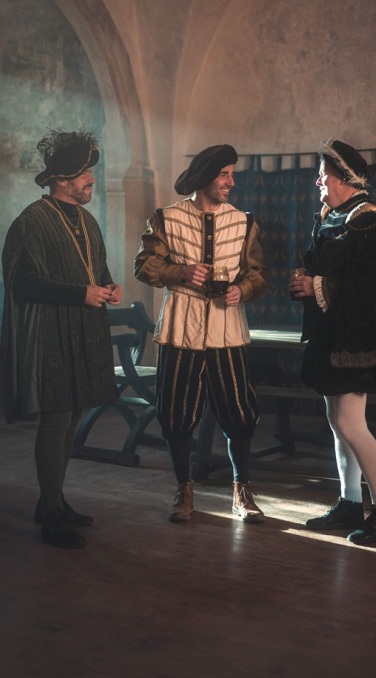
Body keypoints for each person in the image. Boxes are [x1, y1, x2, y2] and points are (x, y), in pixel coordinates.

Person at [0, 129, 123, 549]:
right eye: (85, 172)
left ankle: (52, 500)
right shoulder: (31, 221)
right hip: (50, 333)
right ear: (63, 178)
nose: (91, 179)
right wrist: (80, 293)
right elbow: (22, 282)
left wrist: (108, 286)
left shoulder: (87, 220)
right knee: (56, 419)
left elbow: (96, 269)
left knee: (72, 419)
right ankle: (51, 513)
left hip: (84, 331)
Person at [134, 144, 268, 523]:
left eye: (231, 174)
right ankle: (184, 488)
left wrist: (243, 289)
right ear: (206, 176)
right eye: (224, 174)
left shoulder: (244, 222)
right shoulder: (166, 218)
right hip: (181, 327)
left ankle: (241, 491)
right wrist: (180, 272)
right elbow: (143, 266)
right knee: (175, 413)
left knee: (239, 411)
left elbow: (257, 275)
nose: (230, 182)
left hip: (228, 329)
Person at [289, 139, 376, 546]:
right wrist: (307, 283)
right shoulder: (331, 216)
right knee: (337, 424)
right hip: (331, 334)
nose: (318, 182)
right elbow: (328, 269)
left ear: (343, 178)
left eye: (323, 176)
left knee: (351, 423)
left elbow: (373, 288)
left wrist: (317, 285)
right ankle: (350, 502)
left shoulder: (369, 220)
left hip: (357, 338)